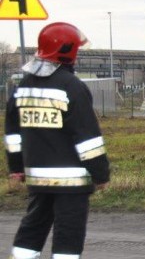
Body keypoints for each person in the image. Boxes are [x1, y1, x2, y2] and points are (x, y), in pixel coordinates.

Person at [5, 22, 111, 259]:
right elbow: (88, 139)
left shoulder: (22, 87)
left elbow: (13, 134)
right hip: (71, 181)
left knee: (33, 226)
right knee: (68, 233)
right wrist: (101, 174)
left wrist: (16, 168)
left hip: (37, 176)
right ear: (68, 51)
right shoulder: (72, 87)